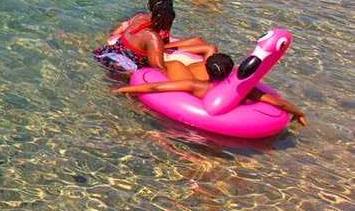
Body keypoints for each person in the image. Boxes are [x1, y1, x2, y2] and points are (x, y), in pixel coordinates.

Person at [111, 51, 305, 126]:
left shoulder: (197, 86)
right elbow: (278, 103)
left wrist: (123, 90)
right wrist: (299, 113)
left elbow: (156, 87)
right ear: (231, 73)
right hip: (231, 126)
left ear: (206, 68)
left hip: (189, 122)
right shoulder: (242, 91)